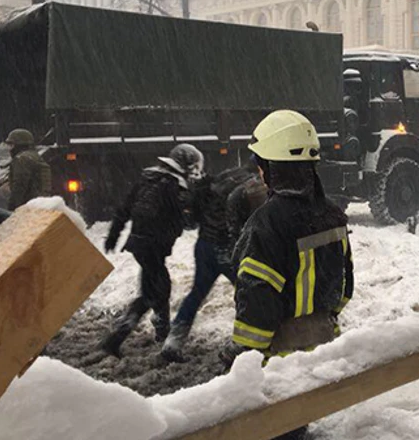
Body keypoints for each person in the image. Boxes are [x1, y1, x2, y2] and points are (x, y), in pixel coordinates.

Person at [227, 110, 353, 372]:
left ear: (272, 168)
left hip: (283, 366)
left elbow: (257, 301)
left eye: (261, 165)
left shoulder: (266, 223)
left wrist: (241, 352)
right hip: (327, 352)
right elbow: (345, 285)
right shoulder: (332, 214)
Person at [100, 144, 202, 358]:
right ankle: (118, 335)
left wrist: (114, 234)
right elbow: (188, 221)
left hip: (140, 243)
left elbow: (125, 208)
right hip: (154, 245)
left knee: (160, 286)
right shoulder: (174, 186)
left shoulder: (148, 179)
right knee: (151, 293)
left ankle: (162, 331)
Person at [161, 160, 267, 362]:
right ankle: (246, 342)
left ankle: (173, 341)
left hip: (204, 245)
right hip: (228, 248)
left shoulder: (224, 175)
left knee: (197, 293)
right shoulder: (251, 185)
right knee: (249, 293)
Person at [4, 128, 52, 210]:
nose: (9, 149)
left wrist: (12, 206)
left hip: (29, 205)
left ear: (19, 145)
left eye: (11, 145)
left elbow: (19, 185)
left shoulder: (22, 159)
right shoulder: (34, 156)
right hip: (39, 203)